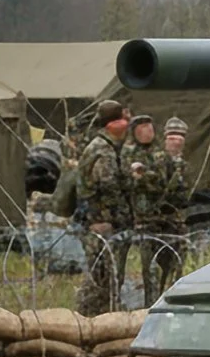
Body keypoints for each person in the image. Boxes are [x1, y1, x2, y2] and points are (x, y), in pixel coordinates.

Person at [73, 100, 137, 315]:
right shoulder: (103, 149)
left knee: (105, 274)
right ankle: (92, 315)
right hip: (102, 222)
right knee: (104, 276)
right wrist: (125, 215)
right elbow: (108, 186)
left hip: (99, 220)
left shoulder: (101, 145)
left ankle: (99, 313)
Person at [128, 115, 189, 301]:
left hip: (174, 224)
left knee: (174, 268)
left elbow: (183, 196)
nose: (176, 142)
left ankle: (170, 300)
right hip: (150, 223)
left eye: (180, 138)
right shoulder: (154, 159)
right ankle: (150, 304)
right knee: (150, 271)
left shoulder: (183, 166)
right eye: (171, 137)